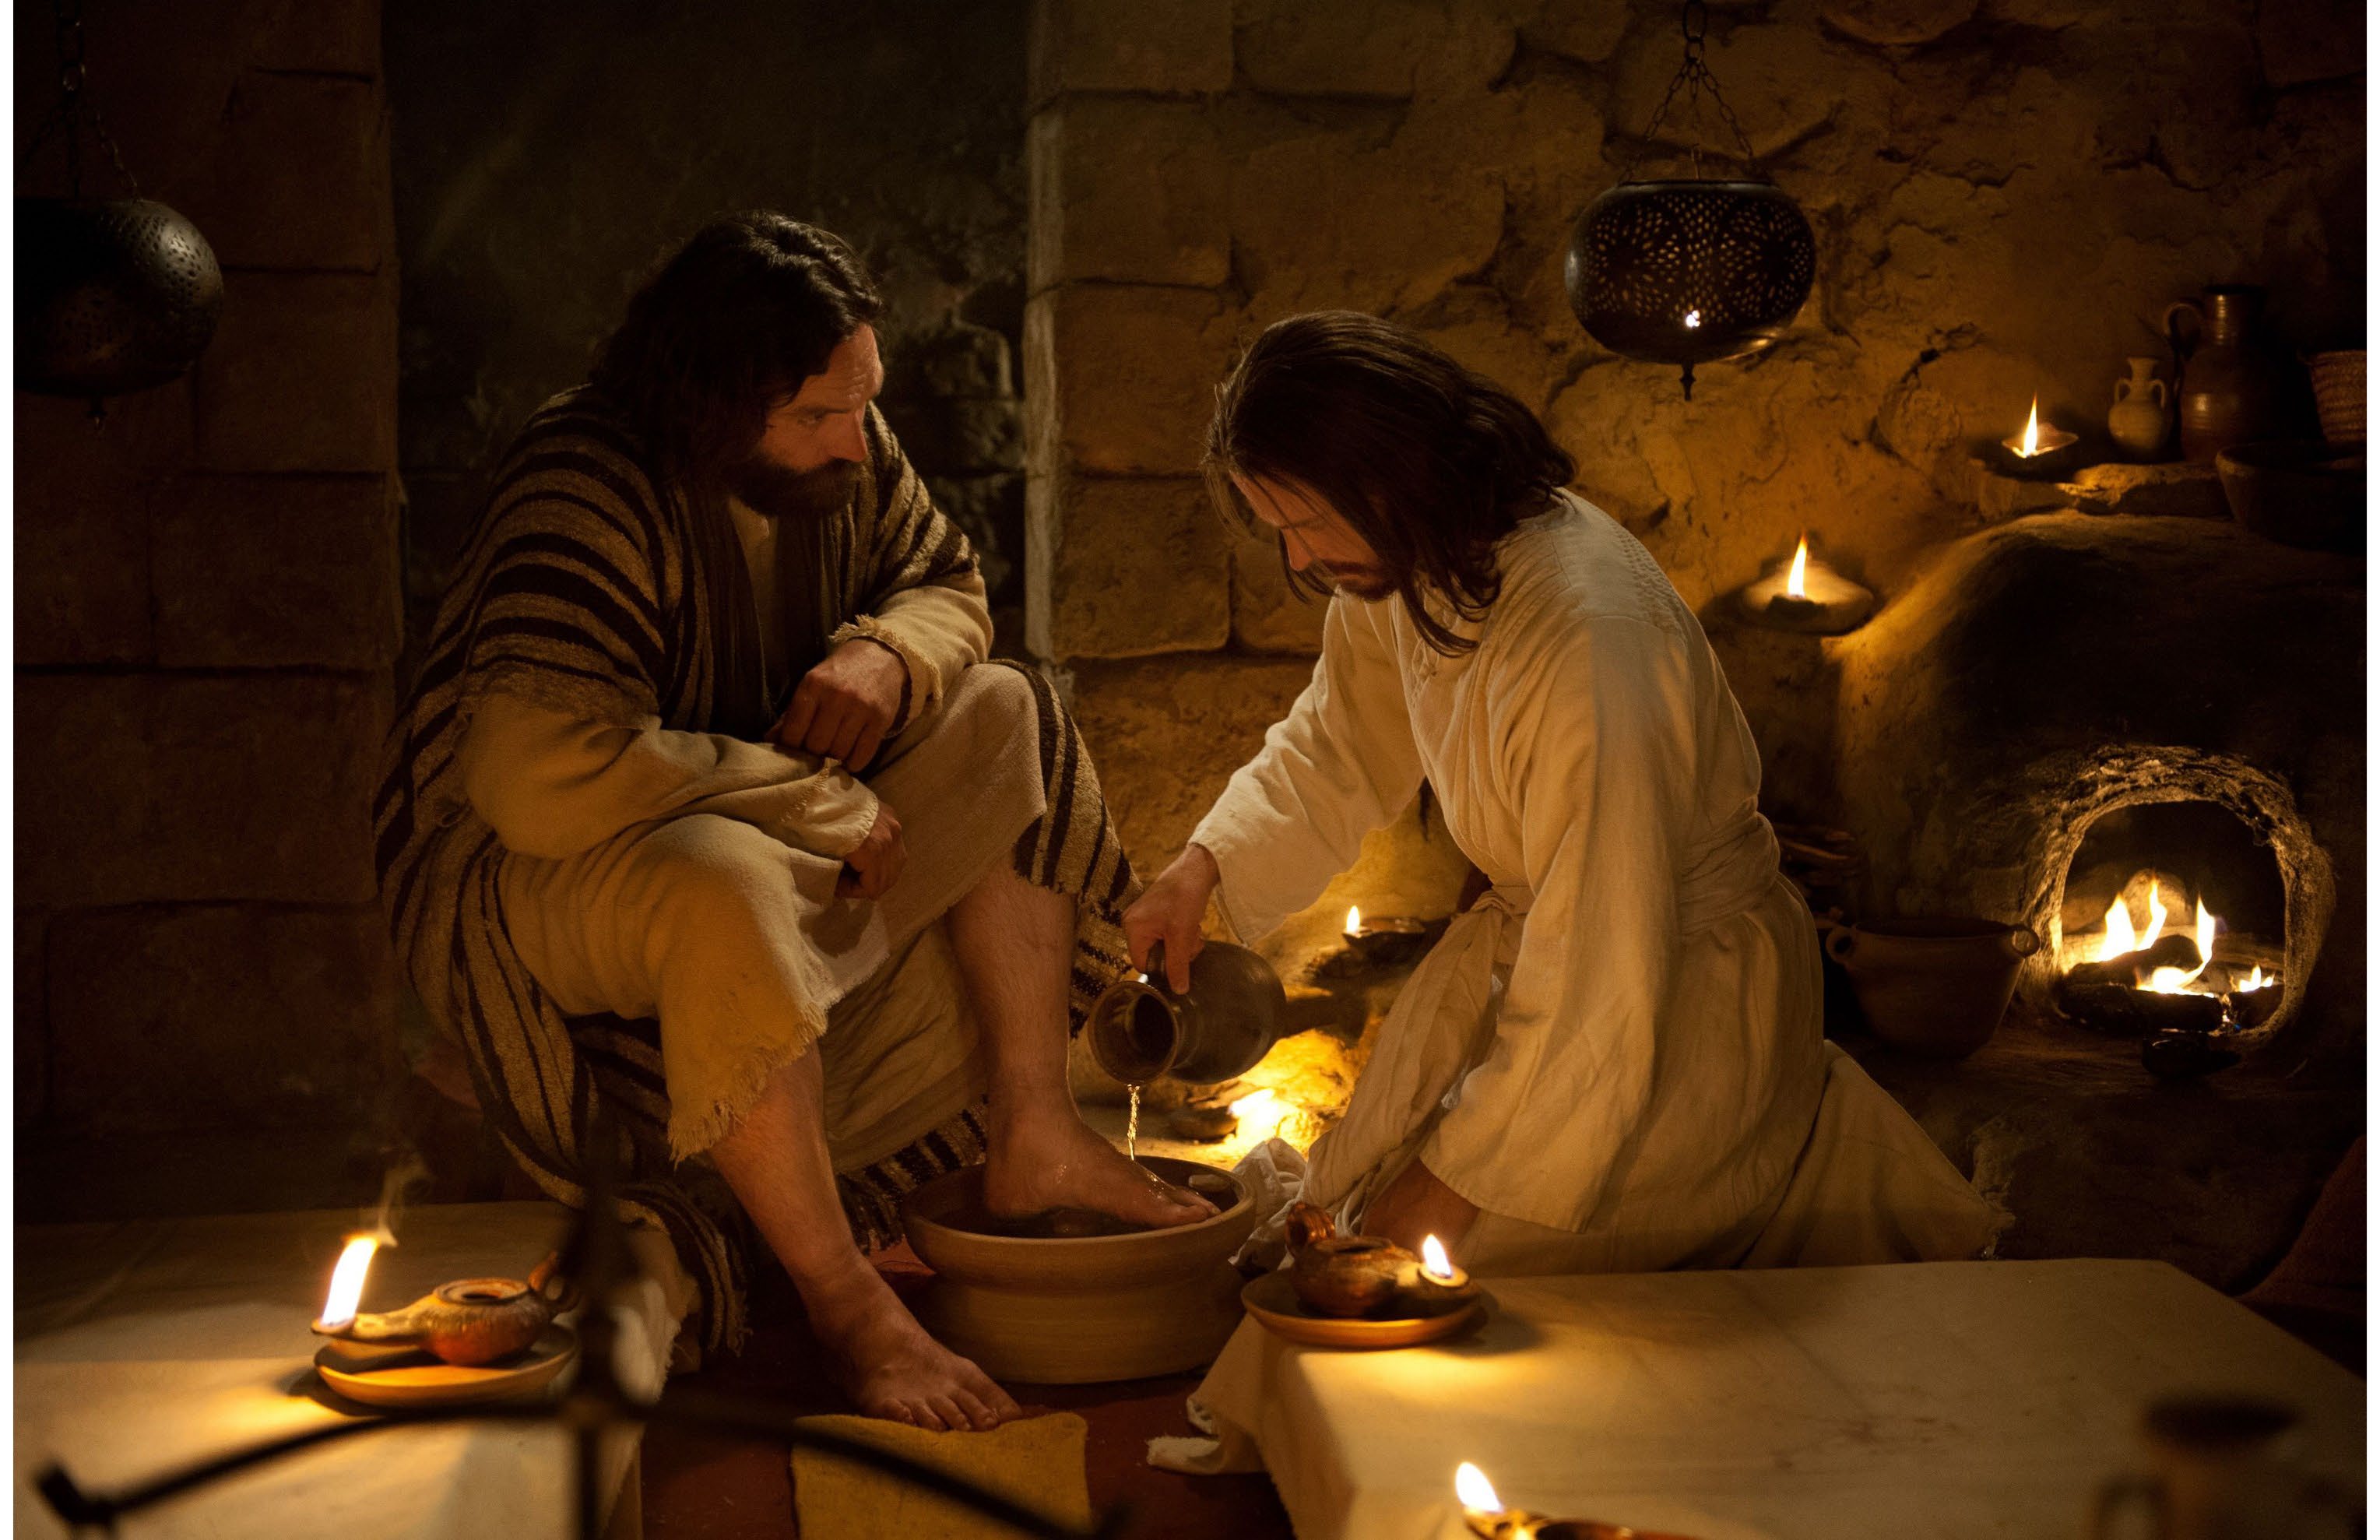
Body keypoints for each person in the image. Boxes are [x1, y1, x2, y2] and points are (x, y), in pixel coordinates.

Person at [375, 213, 1208, 1433]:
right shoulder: (589, 478)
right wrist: (806, 799)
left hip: (769, 828)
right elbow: (533, 773)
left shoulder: (836, 453)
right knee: (726, 882)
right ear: (714, 403)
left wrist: (887, 654)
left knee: (1003, 706)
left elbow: (950, 586)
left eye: (860, 403)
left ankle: (1035, 1123)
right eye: (819, 415)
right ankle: (844, 1298)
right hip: (551, 870)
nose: (856, 442)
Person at [1123, 311, 1994, 1275]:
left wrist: (1457, 1184)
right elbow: (1338, 742)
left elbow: (1603, 956)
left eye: (1302, 522)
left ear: (1387, 472)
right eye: (1278, 529)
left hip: (1671, 1009)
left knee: (1448, 1294)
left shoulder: (1587, 638)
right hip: (1574, 966)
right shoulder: (1408, 561)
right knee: (1355, 1241)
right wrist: (1204, 869)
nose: (1295, 559)